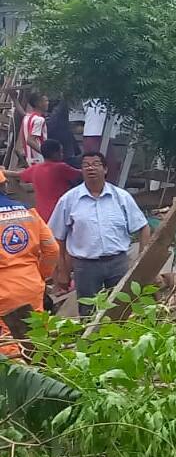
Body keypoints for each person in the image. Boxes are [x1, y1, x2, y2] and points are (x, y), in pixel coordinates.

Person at [48, 151, 150, 312]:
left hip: (118, 263)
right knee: (88, 310)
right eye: (86, 165)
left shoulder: (121, 197)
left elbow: (143, 227)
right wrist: (62, 271)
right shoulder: (69, 200)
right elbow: (57, 238)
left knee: (121, 308)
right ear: (81, 170)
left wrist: (142, 260)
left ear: (105, 169)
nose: (91, 168)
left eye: (96, 164)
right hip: (85, 266)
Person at [0, 168, 59, 354]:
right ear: (4, 185)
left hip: (3, 291)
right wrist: (40, 275)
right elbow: (52, 249)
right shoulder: (28, 211)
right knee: (38, 338)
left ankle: (18, 381)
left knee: (8, 344)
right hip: (31, 286)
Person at [19, 139, 82, 223]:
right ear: (55, 154)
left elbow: (19, 175)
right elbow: (80, 174)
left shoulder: (35, 169)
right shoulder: (61, 167)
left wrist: (3, 172)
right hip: (58, 214)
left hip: (41, 215)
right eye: (61, 152)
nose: (62, 154)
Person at [20, 92, 48, 166]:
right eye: (46, 101)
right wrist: (46, 154)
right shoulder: (39, 120)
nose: (48, 103)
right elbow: (30, 140)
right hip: (39, 159)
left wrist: (14, 99)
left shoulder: (27, 117)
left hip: (30, 158)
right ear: (38, 103)